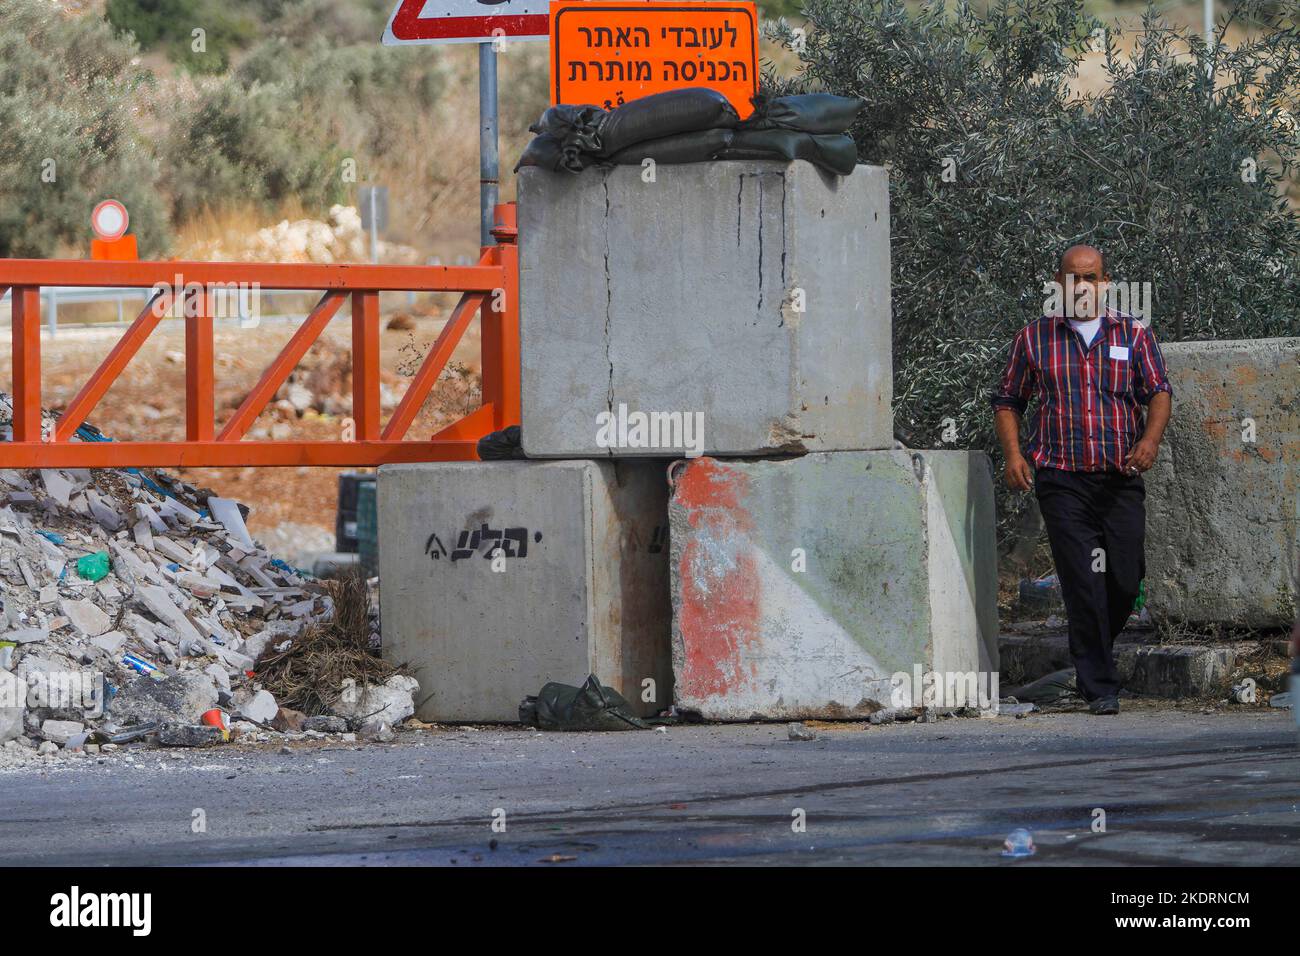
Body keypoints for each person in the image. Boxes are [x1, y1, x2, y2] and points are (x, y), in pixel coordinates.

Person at [991, 244, 1173, 715]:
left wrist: (1150, 441)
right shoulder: (1034, 338)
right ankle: (1100, 686)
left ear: (1105, 282)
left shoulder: (1133, 334)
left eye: (1090, 278)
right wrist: (1014, 455)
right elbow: (1008, 399)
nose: (1082, 287)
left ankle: (1091, 652)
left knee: (1125, 577)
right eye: (1073, 279)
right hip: (1062, 479)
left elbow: (1158, 392)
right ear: (1060, 283)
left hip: (1119, 477)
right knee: (1081, 581)